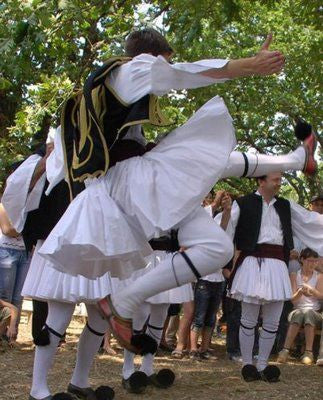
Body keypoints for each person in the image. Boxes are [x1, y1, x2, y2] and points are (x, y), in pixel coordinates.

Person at [38, 28, 317, 357]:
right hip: (126, 183)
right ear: (155, 55)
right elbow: (184, 72)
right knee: (202, 154)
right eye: (167, 60)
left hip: (134, 178)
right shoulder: (132, 70)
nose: (168, 68)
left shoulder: (119, 86)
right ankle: (123, 304)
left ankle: (295, 159)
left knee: (216, 248)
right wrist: (249, 65)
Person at [2, 129, 115, 400]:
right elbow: (15, 189)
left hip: (90, 246)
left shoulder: (98, 156)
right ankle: (38, 389)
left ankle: (79, 380)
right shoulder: (45, 156)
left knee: (100, 316)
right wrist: (46, 161)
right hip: (57, 243)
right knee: (60, 314)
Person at [218, 172, 322, 382]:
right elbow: (223, 231)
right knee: (248, 319)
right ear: (261, 180)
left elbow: (310, 220)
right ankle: (248, 364)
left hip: (276, 266)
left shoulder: (286, 205)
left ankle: (264, 364)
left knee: (273, 321)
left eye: (280, 179)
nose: (279, 182)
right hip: (251, 263)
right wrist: (227, 212)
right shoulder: (243, 203)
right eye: (275, 179)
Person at [277, 248, 322, 365]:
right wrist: (300, 292)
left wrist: (312, 290)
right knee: (300, 313)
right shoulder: (294, 275)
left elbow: (321, 296)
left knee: (308, 313)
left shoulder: (319, 276)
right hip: (297, 309)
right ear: (302, 260)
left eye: (315, 261)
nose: (313, 264)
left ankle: (308, 352)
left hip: (314, 311)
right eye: (309, 261)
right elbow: (292, 299)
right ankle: (286, 350)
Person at [0, 202, 29, 337]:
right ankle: (2, 333)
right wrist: (27, 229)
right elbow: (7, 230)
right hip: (6, 252)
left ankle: (11, 335)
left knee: (18, 298)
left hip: (25, 253)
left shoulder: (29, 205)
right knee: (5, 296)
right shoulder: (3, 205)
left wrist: (19, 230)